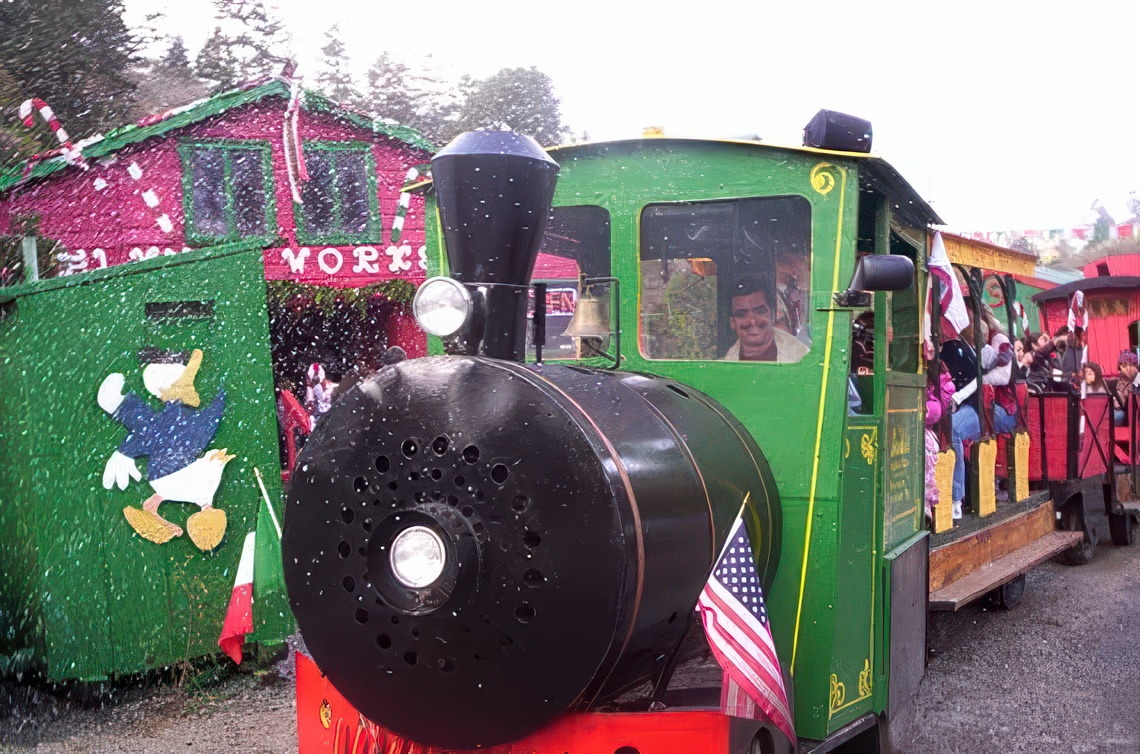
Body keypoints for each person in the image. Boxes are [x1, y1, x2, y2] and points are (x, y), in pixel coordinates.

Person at [722, 275, 810, 363]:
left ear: (772, 315)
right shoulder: (726, 364)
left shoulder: (800, 355)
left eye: (760, 312)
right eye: (742, 314)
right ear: (733, 322)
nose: (752, 321)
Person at [1114, 351, 1140, 425]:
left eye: (1124, 366)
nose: (1121, 370)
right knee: (1117, 414)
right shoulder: (1120, 381)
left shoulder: (1138, 378)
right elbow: (1118, 404)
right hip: (1126, 410)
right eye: (1121, 367)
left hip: (1137, 410)